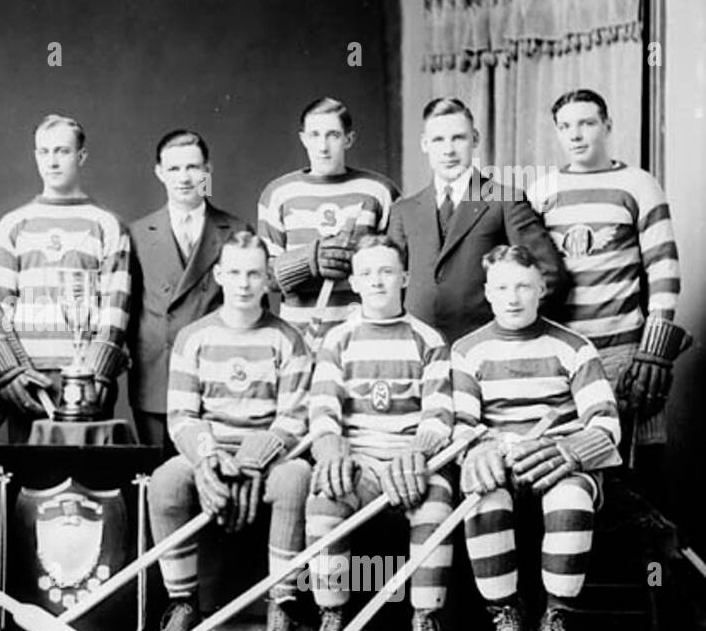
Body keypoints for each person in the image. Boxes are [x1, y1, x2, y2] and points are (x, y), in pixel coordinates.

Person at [453, 244, 622, 631]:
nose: (513, 297)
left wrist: (569, 452)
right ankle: (506, 615)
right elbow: (463, 425)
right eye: (503, 287)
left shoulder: (574, 347)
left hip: (558, 462)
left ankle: (556, 617)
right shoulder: (468, 351)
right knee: (480, 498)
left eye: (524, 286)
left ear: (541, 289)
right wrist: (478, 450)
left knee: (570, 498)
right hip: (502, 465)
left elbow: (605, 423)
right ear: (488, 293)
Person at [146, 231, 313, 631]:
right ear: (219, 275)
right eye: (235, 272)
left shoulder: (288, 339)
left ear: (267, 280)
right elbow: (181, 415)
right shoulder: (193, 337)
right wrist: (208, 460)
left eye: (254, 274)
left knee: (296, 479)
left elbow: (294, 419)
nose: (243, 283)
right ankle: (183, 606)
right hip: (210, 450)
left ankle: (282, 604)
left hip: (268, 456)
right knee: (165, 482)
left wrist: (251, 462)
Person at [300, 235, 456, 631]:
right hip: (360, 462)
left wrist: (418, 453)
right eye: (367, 273)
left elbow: (439, 416)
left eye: (387, 271)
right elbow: (324, 408)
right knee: (324, 497)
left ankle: (425, 617)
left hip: (413, 462)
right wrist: (331, 449)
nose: (378, 281)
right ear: (354, 281)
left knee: (438, 502)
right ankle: (331, 616)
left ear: (404, 277)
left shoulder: (428, 339)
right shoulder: (339, 338)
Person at [528, 88, 686, 462]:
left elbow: (663, 268)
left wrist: (652, 351)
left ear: (607, 126)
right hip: (565, 348)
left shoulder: (638, 184)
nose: (576, 134)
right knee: (575, 457)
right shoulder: (541, 189)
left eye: (587, 123)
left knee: (637, 456)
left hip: (625, 348)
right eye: (566, 126)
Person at [0, 114, 132, 437]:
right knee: (29, 480)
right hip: (29, 375)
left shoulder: (106, 223)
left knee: (87, 478)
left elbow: (115, 306)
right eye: (44, 151)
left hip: (86, 374)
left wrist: (98, 370)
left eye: (62, 151)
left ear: (81, 156)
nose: (52, 160)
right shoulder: (13, 224)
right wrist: (11, 372)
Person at [386, 96, 566, 347]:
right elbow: (390, 283)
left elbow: (549, 274)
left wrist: (513, 331)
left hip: (487, 350)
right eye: (438, 140)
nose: (448, 150)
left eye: (458, 138)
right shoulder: (403, 211)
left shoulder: (505, 200)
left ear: (475, 140)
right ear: (425, 144)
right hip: (419, 351)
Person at [128, 129, 247, 451]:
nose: (184, 177)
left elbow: (251, 313)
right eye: (174, 169)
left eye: (193, 168)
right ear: (159, 173)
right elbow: (128, 308)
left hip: (217, 374)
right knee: (158, 479)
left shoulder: (235, 230)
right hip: (157, 377)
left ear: (207, 170)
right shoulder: (137, 233)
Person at [257, 96, 399, 350]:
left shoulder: (379, 191)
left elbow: (399, 269)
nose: (323, 146)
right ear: (303, 139)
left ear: (349, 139)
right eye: (314, 135)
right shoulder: (278, 194)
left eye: (333, 135)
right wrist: (307, 261)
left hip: (364, 337)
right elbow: (264, 277)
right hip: (301, 340)